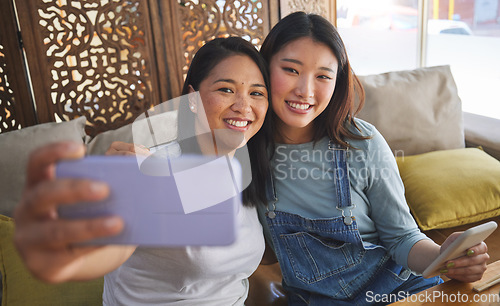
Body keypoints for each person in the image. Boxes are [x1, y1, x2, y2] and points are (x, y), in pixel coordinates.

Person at [14, 36, 272, 305]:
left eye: (256, 93)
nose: (244, 106)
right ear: (192, 100)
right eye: (226, 90)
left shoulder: (247, 169)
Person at [256, 11, 489, 305]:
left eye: (323, 76)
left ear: (338, 81)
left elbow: (402, 238)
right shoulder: (245, 149)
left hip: (400, 290)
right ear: (264, 68)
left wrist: (443, 257)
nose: (306, 90)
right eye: (291, 70)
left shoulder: (362, 142)